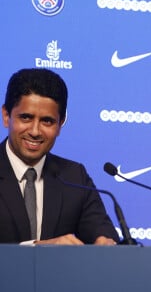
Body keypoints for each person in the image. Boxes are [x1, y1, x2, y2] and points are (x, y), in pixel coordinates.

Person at [0, 68, 119, 245]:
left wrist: (105, 243)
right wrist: (39, 248)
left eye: (47, 121)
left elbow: (102, 231)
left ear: (61, 123)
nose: (35, 131)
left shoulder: (74, 176)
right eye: (26, 118)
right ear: (6, 116)